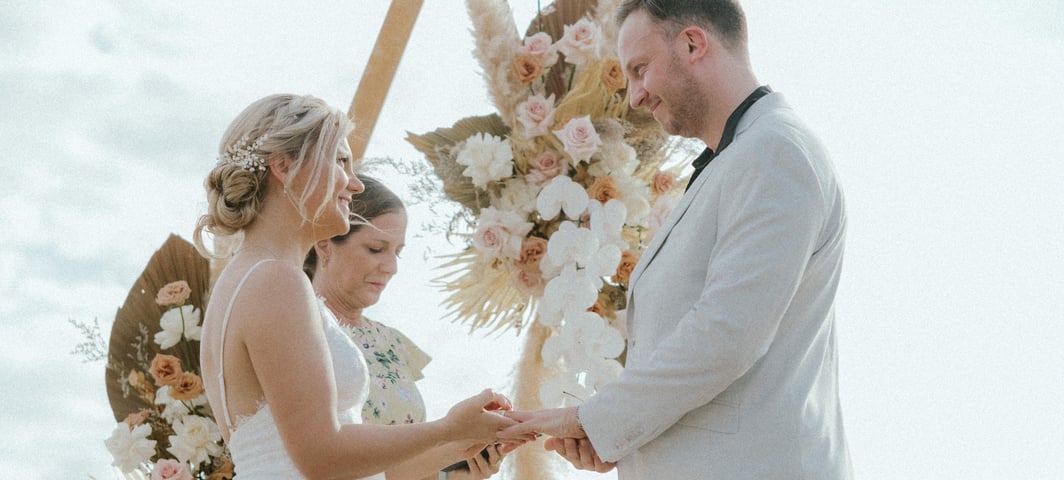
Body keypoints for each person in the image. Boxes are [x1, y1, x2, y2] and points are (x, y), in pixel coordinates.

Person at [498, 1, 854, 478]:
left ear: (692, 43)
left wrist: (597, 421)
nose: (634, 97)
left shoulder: (774, 152)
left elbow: (727, 332)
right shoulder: (740, 158)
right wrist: (621, 440)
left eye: (640, 70)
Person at [196, 94, 522, 480]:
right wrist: (447, 427)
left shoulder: (249, 279)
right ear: (283, 166)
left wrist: (462, 441)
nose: (353, 184)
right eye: (340, 161)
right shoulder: (276, 281)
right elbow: (322, 457)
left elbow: (328, 459)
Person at [306, 174, 506, 480]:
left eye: (397, 252)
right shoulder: (300, 332)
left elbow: (396, 471)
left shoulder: (392, 343)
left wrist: (460, 465)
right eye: (376, 248)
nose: (392, 266)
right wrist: (452, 437)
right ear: (325, 243)